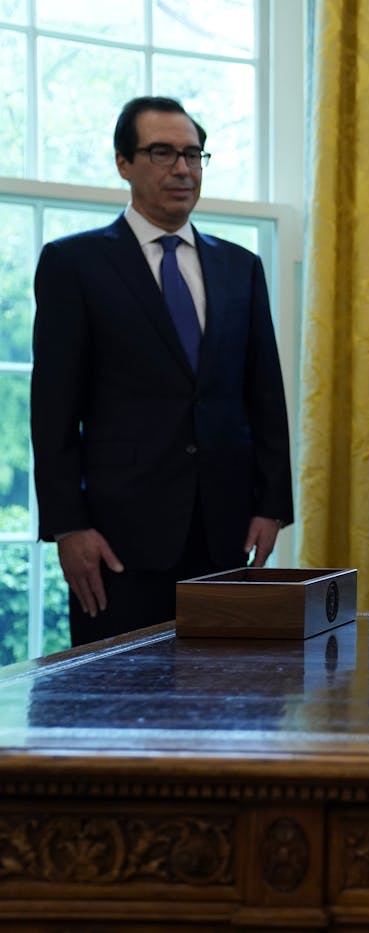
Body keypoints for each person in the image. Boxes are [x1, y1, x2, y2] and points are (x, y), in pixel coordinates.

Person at [31, 96, 293, 647]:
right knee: (120, 712)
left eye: (194, 155)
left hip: (223, 533)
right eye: (162, 153)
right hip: (116, 542)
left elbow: (264, 395)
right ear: (123, 162)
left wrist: (272, 504)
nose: (182, 169)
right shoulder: (74, 265)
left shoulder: (240, 268)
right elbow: (53, 411)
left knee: (222, 705)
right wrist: (68, 526)